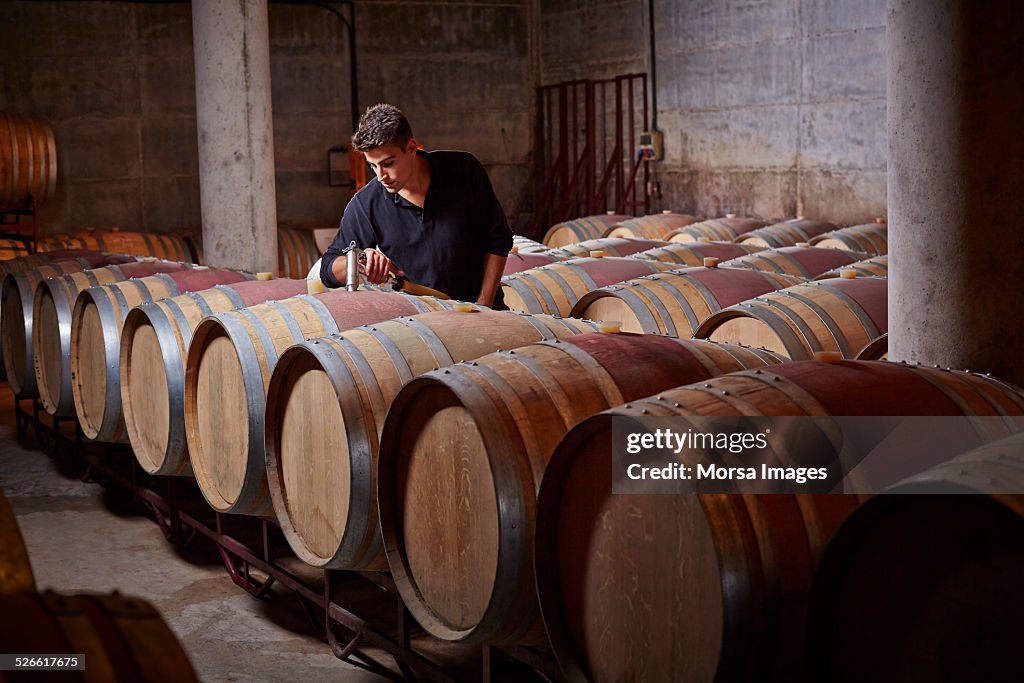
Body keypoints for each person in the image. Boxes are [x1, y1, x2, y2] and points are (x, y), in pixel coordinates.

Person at [320, 103, 512, 308]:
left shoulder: (463, 170)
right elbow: (328, 269)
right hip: (422, 327)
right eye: (372, 166)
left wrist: (483, 306)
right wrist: (360, 260)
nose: (380, 176)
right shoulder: (366, 203)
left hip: (487, 315)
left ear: (411, 148)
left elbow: (498, 239)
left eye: (388, 163)